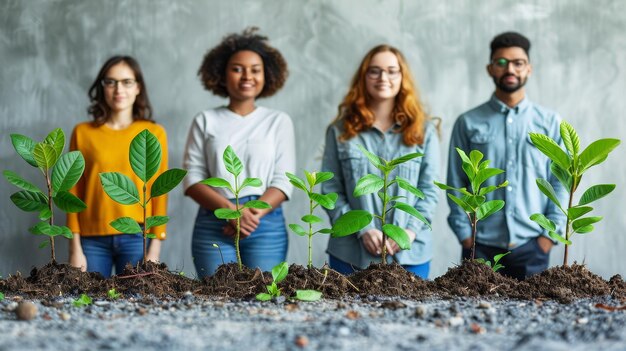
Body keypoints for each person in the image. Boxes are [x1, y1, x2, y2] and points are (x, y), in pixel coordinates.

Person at [446, 32, 567, 280]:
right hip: (480, 247)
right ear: (490, 69)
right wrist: (466, 236)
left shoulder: (550, 123)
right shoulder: (468, 122)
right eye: (501, 62)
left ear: (529, 69)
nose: (509, 68)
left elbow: (561, 182)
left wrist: (549, 237)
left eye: (517, 63)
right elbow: (456, 182)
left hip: (533, 246)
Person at [321, 45, 440, 279]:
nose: (383, 78)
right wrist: (362, 229)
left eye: (392, 71)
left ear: (402, 77)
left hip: (410, 254)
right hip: (350, 255)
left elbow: (429, 190)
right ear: (363, 77)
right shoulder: (341, 131)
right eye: (374, 71)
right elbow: (330, 190)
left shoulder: (423, 130)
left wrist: (408, 232)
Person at [183, 28, 295, 278]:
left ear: (267, 75)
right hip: (214, 220)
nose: (247, 76)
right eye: (237, 68)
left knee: (264, 294)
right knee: (215, 295)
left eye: (255, 69)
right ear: (222, 74)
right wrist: (230, 212)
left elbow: (283, 180)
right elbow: (192, 179)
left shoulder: (278, 121)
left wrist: (249, 215)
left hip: (264, 223)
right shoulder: (205, 120)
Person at [68, 56, 168, 278]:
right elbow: (72, 192)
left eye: (126, 82)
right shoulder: (83, 133)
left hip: (136, 237)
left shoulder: (153, 133)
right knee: (88, 304)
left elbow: (159, 192)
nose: (118, 89)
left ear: (138, 87)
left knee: (135, 305)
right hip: (91, 239)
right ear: (102, 87)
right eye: (110, 82)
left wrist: (155, 247)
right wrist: (74, 247)